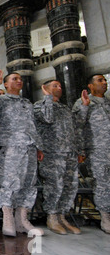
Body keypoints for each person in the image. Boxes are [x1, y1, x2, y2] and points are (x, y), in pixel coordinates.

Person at [0, 71, 44, 237]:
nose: (19, 81)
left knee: (28, 183)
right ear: (6, 84)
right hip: (11, 146)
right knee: (10, 182)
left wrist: (39, 146)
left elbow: (33, 126)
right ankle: (8, 219)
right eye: (14, 79)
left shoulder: (27, 103)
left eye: (20, 79)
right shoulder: (2, 100)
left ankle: (22, 220)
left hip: (30, 147)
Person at [34, 80, 81, 235]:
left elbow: (75, 128)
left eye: (60, 86)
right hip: (52, 152)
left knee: (70, 185)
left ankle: (62, 216)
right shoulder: (39, 105)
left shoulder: (65, 108)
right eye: (54, 86)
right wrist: (47, 98)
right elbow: (47, 118)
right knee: (55, 185)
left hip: (69, 152)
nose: (59, 88)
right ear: (45, 89)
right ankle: (52, 217)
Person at [72, 74, 110, 234]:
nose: (104, 83)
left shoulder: (108, 102)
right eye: (100, 80)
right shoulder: (84, 102)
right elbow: (76, 126)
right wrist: (80, 151)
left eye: (105, 80)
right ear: (91, 86)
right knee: (102, 184)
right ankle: (106, 217)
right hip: (96, 150)